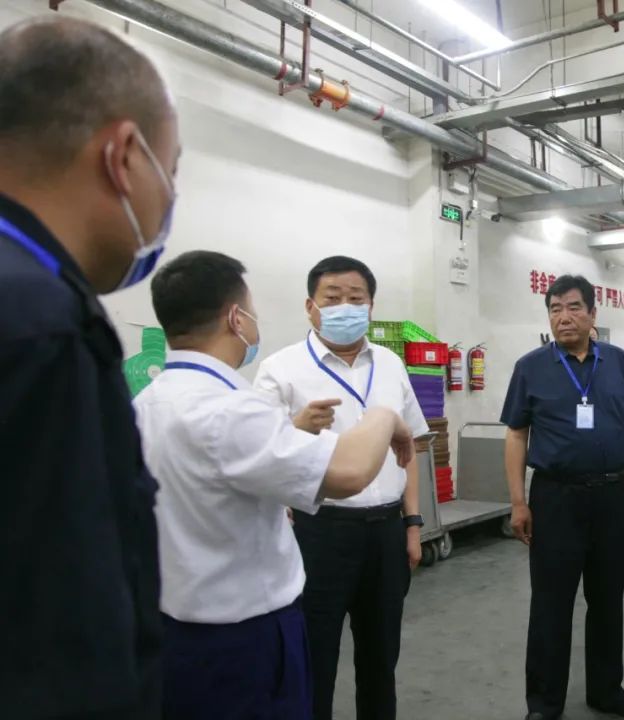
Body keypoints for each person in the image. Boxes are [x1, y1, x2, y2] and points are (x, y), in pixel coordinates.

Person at [135, 251, 414, 720]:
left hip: (175, 621)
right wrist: (385, 415)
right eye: (252, 310)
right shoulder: (234, 409)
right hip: (244, 629)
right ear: (235, 318)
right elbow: (347, 473)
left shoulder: (145, 404)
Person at [0, 16, 179, 718]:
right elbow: (61, 631)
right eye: (172, 170)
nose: (169, 199)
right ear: (124, 155)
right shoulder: (41, 325)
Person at [254, 255, 429, 720]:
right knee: (315, 659)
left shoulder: (390, 364)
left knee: (381, 658)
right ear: (310, 306)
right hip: (318, 532)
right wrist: (296, 425)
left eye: (356, 298)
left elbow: (409, 450)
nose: (344, 307)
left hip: (385, 532)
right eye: (332, 298)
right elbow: (259, 454)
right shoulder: (280, 369)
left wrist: (412, 525)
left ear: (371, 306)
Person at [502, 275, 624, 720]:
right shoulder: (530, 367)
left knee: (608, 599)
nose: (563, 317)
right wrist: (518, 501)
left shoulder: (619, 362)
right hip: (555, 497)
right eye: (555, 309)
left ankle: (606, 691)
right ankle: (544, 703)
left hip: (611, 494)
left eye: (573, 307)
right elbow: (516, 434)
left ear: (592, 314)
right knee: (551, 603)